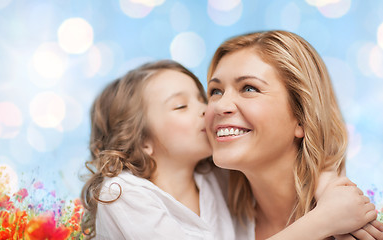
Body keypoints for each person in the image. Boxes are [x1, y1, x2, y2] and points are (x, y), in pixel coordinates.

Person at [80, 59, 376, 240]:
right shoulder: (122, 193)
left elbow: (284, 160)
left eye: (203, 98)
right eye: (182, 106)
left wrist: (325, 186)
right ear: (141, 139)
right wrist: (324, 220)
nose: (210, 110)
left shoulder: (216, 177)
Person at [205, 30, 383, 239]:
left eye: (249, 88)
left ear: (302, 117)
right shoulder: (208, 218)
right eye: (216, 91)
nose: (220, 106)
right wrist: (322, 220)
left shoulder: (366, 223)